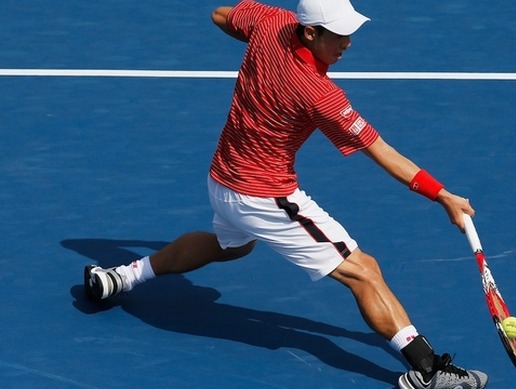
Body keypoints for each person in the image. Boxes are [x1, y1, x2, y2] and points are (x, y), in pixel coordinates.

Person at [83, 1, 488, 388]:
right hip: (264, 196)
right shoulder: (320, 95)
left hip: (222, 179)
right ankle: (429, 371)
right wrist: (444, 196)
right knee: (363, 271)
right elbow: (381, 152)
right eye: (339, 35)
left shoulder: (272, 24)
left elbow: (220, 14)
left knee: (231, 246)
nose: (348, 43)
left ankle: (121, 277)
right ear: (310, 32)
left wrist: (261, 49)